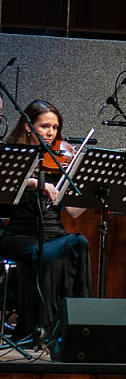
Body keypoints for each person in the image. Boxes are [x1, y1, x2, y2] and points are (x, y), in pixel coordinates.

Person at [0, 100, 92, 342]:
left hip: (55, 233)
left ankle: (77, 326)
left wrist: (89, 187)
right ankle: (42, 327)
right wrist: (34, 182)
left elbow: (72, 212)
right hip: (20, 235)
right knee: (49, 252)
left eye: (55, 127)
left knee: (79, 243)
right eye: (44, 126)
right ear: (29, 127)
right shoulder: (10, 156)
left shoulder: (59, 160)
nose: (51, 132)